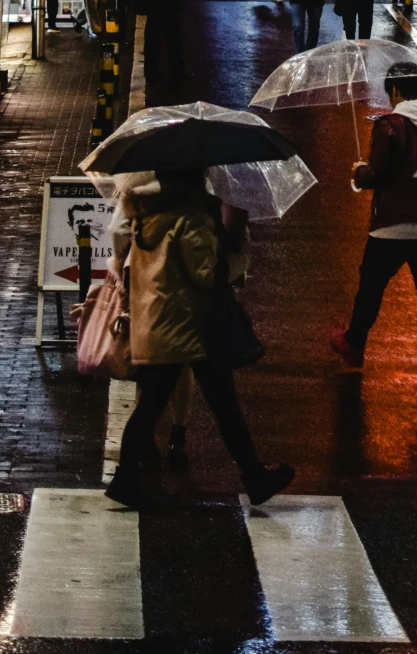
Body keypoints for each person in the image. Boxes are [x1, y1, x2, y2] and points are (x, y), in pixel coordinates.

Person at [104, 169, 291, 510]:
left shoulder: (148, 213)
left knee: (154, 406)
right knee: (222, 405)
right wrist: (239, 257)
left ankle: (126, 479)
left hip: (161, 322)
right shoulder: (193, 217)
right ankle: (254, 476)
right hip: (193, 325)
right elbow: (206, 274)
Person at [329, 64, 417, 393]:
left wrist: (359, 172)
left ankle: (355, 344)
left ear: (397, 91)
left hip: (391, 226)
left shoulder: (389, 126)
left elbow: (378, 175)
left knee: (371, 286)